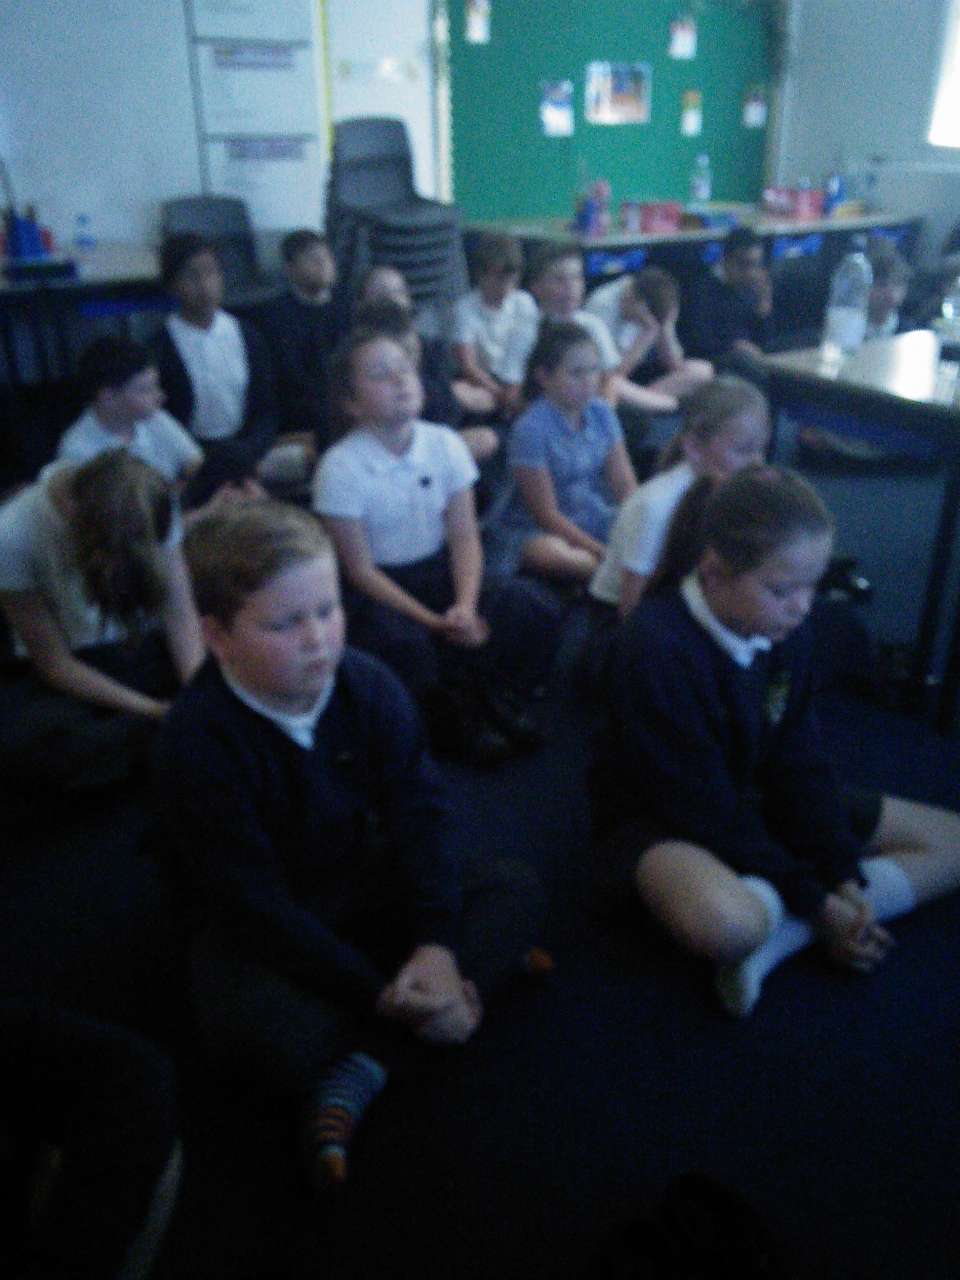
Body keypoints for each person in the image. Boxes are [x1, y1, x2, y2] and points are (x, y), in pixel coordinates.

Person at [156, 501, 548, 1188]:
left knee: (517, 891)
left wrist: (436, 942)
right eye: (285, 624)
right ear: (216, 636)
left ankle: (366, 1064)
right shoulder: (195, 742)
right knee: (268, 1046)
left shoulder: (367, 684)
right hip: (265, 919)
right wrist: (376, 995)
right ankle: (435, 1007)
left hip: (356, 872)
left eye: (328, 609)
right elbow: (252, 904)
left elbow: (422, 816)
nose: (318, 639)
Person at [594, 465, 960, 1018]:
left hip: (752, 799)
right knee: (729, 927)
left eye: (813, 585)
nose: (802, 606)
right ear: (713, 572)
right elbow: (700, 806)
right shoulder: (655, 646)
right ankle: (778, 920)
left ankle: (783, 931)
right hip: (662, 819)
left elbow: (799, 761)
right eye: (781, 589)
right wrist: (814, 898)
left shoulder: (785, 630)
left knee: (953, 840)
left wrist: (840, 872)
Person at [312, 330, 560, 765]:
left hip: (441, 568)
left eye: (405, 369)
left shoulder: (444, 442)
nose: (400, 380)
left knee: (529, 605)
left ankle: (496, 695)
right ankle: (452, 719)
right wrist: (431, 620)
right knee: (405, 645)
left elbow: (464, 535)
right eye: (381, 375)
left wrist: (464, 605)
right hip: (381, 588)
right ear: (351, 403)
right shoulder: (340, 467)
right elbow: (359, 571)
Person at [0, 451, 204, 790]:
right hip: (79, 664)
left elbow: (180, 614)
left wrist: (197, 693)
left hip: (144, 647)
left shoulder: (152, 502)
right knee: (37, 743)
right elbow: (55, 664)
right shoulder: (11, 536)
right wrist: (156, 711)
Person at [590, 377, 769, 617]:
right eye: (743, 450)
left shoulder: (728, 489)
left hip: (675, 600)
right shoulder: (655, 505)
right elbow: (630, 608)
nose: (758, 463)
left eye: (761, 449)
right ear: (694, 446)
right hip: (614, 616)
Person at [492, 321, 637, 584]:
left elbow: (625, 485)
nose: (589, 381)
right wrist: (602, 553)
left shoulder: (602, 412)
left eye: (593, 370)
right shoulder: (531, 429)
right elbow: (546, 515)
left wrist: (639, 528)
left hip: (593, 513)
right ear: (544, 377)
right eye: (576, 373)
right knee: (562, 557)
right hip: (538, 529)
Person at [152, 233, 279, 503]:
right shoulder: (160, 347)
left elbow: (266, 406)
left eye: (211, 273)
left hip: (246, 449)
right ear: (172, 285)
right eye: (191, 276)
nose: (204, 285)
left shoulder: (248, 334)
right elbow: (163, 419)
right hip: (191, 459)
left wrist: (250, 450)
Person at [353, 299, 499, 463]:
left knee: (486, 439)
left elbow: (467, 407)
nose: (401, 376)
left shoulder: (433, 353)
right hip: (389, 449)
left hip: (436, 438)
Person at [56, 335, 203, 488]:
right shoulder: (78, 451)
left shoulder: (154, 417)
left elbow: (195, 463)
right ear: (108, 397)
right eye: (145, 390)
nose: (160, 396)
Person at [353, 264, 496, 422]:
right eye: (382, 293)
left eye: (398, 292)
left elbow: (471, 404)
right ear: (361, 303)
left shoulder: (433, 349)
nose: (392, 299)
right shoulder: (356, 354)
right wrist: (452, 393)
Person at [584, 266, 714, 409]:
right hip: (611, 380)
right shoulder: (602, 306)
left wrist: (666, 324)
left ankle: (646, 404)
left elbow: (674, 363)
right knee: (613, 384)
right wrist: (649, 331)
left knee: (702, 370)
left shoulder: (654, 305)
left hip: (644, 381)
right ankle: (661, 405)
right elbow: (615, 373)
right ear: (631, 299)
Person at [258, 229, 340, 448]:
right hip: (299, 425)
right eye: (312, 258)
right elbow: (286, 381)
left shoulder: (347, 307)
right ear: (290, 269)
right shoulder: (275, 318)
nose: (322, 264)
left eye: (326, 257)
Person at [452, 232, 538, 419]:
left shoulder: (524, 302)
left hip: (521, 380)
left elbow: (528, 352)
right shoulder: (465, 308)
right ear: (481, 274)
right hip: (486, 384)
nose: (505, 286)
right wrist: (500, 394)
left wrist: (515, 390)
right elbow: (468, 365)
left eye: (511, 279)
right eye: (499, 278)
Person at [681, 228, 773, 370]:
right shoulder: (702, 288)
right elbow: (699, 341)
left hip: (748, 354)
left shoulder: (752, 287)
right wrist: (732, 346)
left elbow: (764, 341)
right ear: (726, 260)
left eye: (756, 264)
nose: (751, 272)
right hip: (715, 359)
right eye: (744, 264)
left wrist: (763, 308)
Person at [865, 236, 912, 339]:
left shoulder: (909, 333)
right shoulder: (844, 329)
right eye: (881, 285)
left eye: (897, 284)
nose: (890, 294)